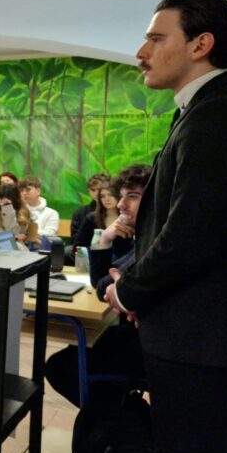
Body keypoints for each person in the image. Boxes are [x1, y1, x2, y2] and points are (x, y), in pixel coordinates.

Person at [105, 0, 227, 453]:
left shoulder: (221, 116)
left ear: (201, 44)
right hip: (190, 337)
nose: (141, 51)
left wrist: (129, 291)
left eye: (155, 37)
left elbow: (190, 236)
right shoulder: (202, 112)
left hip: (201, 348)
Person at [44, 164, 150, 408]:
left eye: (132, 196)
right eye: (121, 196)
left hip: (147, 347)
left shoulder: (152, 242)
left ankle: (116, 417)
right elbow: (101, 284)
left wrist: (117, 288)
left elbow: (106, 286)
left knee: (59, 367)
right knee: (76, 348)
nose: (121, 204)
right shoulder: (139, 236)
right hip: (136, 335)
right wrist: (104, 239)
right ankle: (117, 413)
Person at [73, 185, 126, 255]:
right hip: (94, 258)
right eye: (102, 196)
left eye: (110, 195)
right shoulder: (91, 218)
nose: (106, 199)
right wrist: (96, 248)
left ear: (119, 196)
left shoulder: (126, 218)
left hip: (123, 259)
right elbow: (78, 247)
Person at [0, 182, 39, 246]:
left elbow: (15, 232)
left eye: (7, 198)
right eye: (1, 198)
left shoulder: (24, 211)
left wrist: (8, 209)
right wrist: (11, 236)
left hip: (16, 244)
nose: (3, 201)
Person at [69, 173, 109, 241]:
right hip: (85, 246)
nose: (96, 193)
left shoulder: (115, 211)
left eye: (99, 189)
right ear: (89, 191)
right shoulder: (80, 212)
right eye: (93, 190)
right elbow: (75, 238)